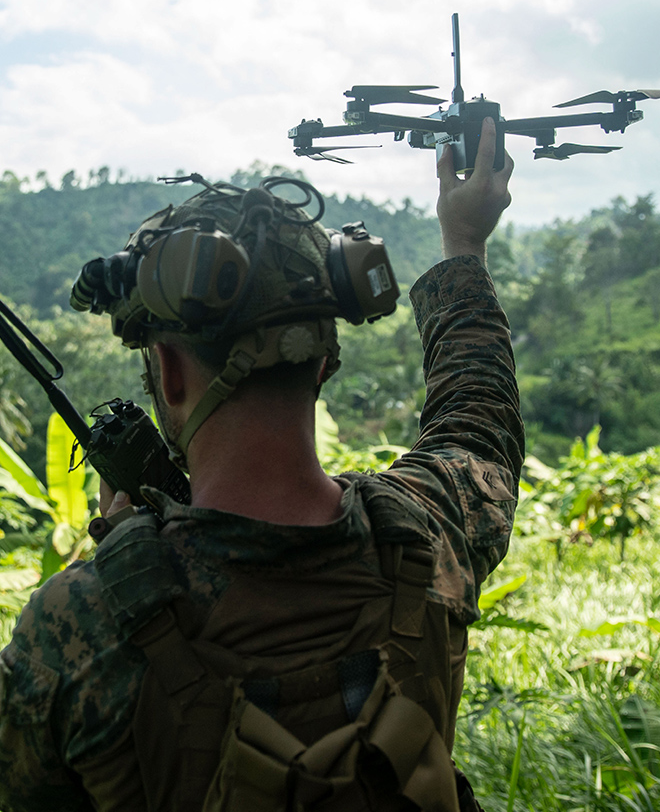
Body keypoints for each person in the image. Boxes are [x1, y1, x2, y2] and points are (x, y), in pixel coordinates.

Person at [0, 116, 523, 812]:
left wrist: (127, 565)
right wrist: (464, 243)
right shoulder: (433, 530)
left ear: (168, 371)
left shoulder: (75, 628)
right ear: (325, 362)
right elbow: (478, 423)